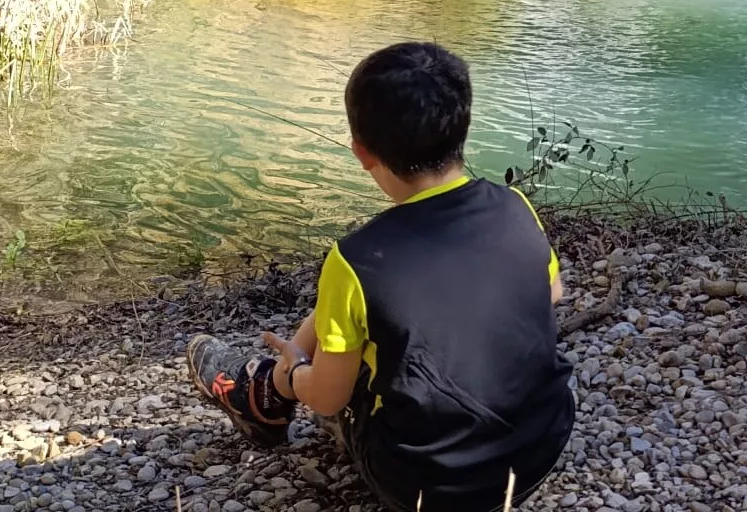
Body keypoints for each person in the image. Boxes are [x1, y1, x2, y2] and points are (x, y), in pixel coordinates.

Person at [186, 42, 575, 512]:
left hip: (426, 487)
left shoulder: (358, 258)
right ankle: (270, 385)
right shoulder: (516, 207)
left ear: (361, 151)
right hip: (540, 451)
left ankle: (269, 391)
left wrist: (296, 372)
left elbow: (328, 399)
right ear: (463, 128)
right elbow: (550, 293)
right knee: (361, 310)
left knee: (347, 332)